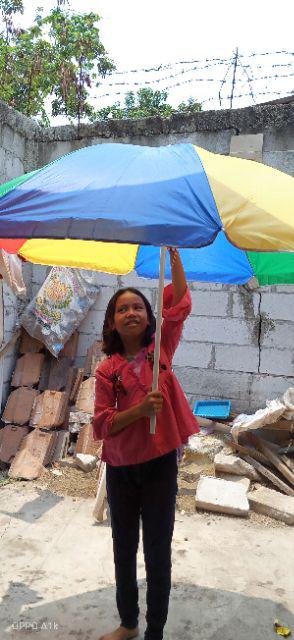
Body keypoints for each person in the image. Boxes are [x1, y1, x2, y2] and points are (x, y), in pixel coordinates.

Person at [92, 248, 199, 640]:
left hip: (160, 464)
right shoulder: (107, 370)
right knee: (124, 549)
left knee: (157, 550)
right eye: (122, 309)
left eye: (139, 306)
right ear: (112, 322)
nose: (132, 312)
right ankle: (129, 624)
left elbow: (179, 306)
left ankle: (155, 629)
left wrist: (175, 262)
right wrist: (139, 411)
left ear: (149, 317)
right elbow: (102, 426)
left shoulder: (162, 350)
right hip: (121, 468)